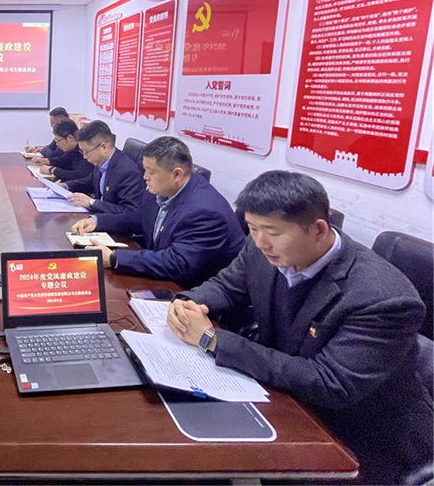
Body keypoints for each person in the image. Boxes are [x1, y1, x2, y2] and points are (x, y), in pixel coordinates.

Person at [167, 171, 432, 485]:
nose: (260, 242)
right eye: (252, 228)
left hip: (360, 433)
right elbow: (226, 286)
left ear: (318, 230)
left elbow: (331, 383)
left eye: (272, 232)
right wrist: (188, 303)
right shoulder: (261, 249)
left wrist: (212, 340)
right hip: (286, 396)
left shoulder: (384, 297)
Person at [72, 136, 243, 288]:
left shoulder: (205, 212)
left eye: (151, 172)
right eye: (145, 169)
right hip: (162, 275)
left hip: (192, 291)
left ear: (177, 174)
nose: (145, 177)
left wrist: (115, 258)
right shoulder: (159, 189)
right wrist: (97, 221)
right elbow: (139, 218)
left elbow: (177, 263)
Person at [60, 120, 143, 219]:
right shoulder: (102, 162)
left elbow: (130, 211)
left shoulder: (127, 171)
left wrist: (92, 203)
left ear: (104, 147)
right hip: (98, 217)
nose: (85, 157)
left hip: (113, 225)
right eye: (82, 152)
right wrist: (65, 186)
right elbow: (88, 182)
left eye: (86, 152)